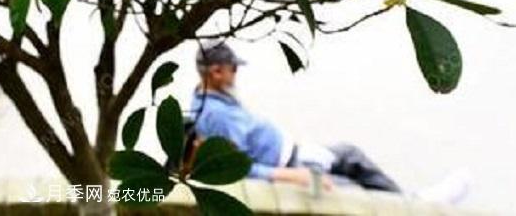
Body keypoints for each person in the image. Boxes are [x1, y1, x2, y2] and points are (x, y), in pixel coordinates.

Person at [189, 42, 469, 202]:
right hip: (287, 169)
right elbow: (235, 169)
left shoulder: (214, 99)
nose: (236, 73)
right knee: (344, 191)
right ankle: (415, 207)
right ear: (215, 72)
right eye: (233, 68)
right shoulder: (216, 116)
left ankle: (409, 203)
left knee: (350, 154)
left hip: (294, 154)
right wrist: (290, 176)